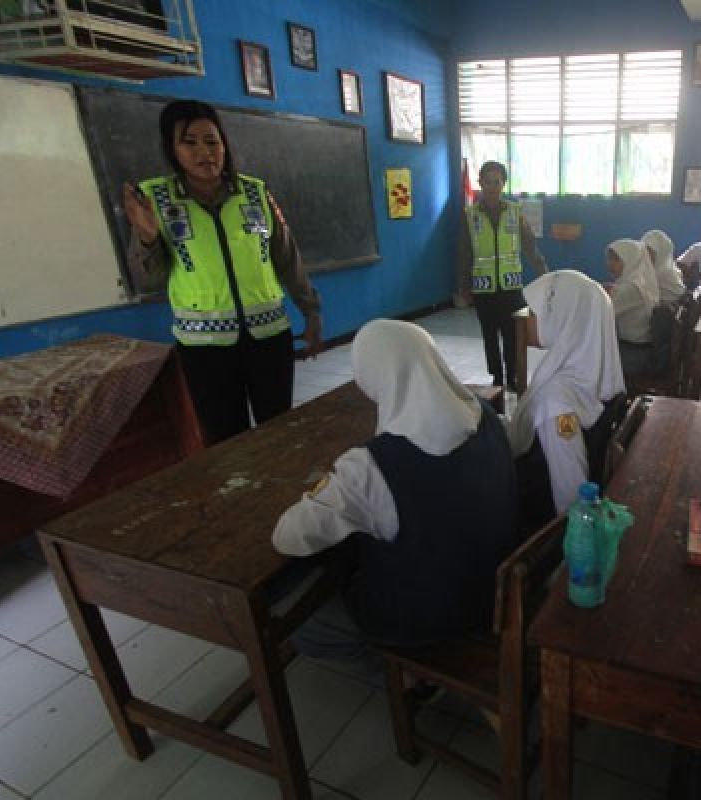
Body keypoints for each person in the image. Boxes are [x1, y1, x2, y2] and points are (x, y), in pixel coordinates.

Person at [272, 319, 519, 664]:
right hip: (494, 589)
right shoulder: (486, 416)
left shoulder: (371, 467)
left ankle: (403, 670)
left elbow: (289, 537)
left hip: (428, 619)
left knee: (297, 618)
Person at [123, 100, 322, 446]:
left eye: (212, 141)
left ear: (224, 144)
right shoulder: (154, 200)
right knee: (225, 441)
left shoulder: (256, 193)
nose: (205, 152)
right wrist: (147, 237)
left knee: (279, 432)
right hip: (204, 349)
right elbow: (150, 281)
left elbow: (287, 258)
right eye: (190, 142)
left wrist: (311, 309)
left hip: (268, 339)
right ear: (172, 149)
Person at [507, 271, 625, 519]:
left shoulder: (556, 405)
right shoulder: (595, 371)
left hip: (538, 512)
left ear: (561, 319)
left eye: (533, 313)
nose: (526, 320)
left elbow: (570, 490)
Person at [458, 160, 548, 390]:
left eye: (496, 182)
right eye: (487, 182)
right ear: (480, 183)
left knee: (512, 335)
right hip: (483, 289)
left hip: (511, 288)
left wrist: (545, 276)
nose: (492, 187)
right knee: (490, 337)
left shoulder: (515, 214)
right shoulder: (470, 215)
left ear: (503, 184)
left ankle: (512, 377)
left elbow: (530, 248)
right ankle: (496, 378)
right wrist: (464, 288)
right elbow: (463, 254)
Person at [606, 238, 660, 376]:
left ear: (630, 260)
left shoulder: (631, 288)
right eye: (609, 259)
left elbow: (603, 314)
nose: (609, 264)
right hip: (640, 346)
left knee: (589, 362)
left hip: (633, 351)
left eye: (616, 260)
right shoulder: (641, 280)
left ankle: (608, 395)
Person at [641, 229, 687, 307]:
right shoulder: (670, 270)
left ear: (662, 252)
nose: (645, 254)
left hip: (664, 314)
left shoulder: (661, 273)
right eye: (644, 250)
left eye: (650, 251)